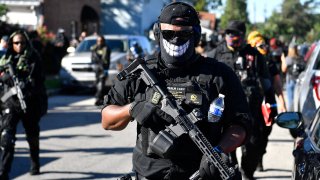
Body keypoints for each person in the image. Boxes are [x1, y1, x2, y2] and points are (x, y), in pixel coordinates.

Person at [101, 2, 251, 180]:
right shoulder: (140, 73)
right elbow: (107, 120)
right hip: (149, 174)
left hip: (199, 174)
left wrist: (218, 151)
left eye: (184, 34)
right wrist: (133, 108)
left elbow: (240, 126)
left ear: (195, 35)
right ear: (158, 34)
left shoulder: (219, 74)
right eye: (168, 34)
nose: (175, 40)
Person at [208, 21, 274, 180]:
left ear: (243, 36)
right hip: (225, 111)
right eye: (229, 33)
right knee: (226, 147)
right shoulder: (215, 54)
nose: (232, 37)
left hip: (251, 110)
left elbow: (266, 81)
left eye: (236, 34)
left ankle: (247, 172)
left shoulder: (255, 55)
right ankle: (233, 171)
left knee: (254, 145)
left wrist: (272, 103)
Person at [0, 30, 46, 179]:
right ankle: (4, 172)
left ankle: (35, 163)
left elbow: (41, 81)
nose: (19, 45)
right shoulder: (5, 58)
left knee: (32, 137)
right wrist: (4, 76)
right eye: (16, 43)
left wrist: (29, 85)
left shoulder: (34, 58)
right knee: (7, 139)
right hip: (10, 103)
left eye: (22, 43)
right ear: (11, 44)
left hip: (29, 103)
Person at [247, 30, 287, 172]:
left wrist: (282, 101)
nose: (260, 45)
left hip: (269, 104)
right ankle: (250, 163)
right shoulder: (246, 61)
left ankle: (260, 157)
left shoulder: (269, 61)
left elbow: (277, 83)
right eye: (256, 42)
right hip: (251, 103)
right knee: (252, 136)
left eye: (261, 42)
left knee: (265, 133)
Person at [281, 42, 305, 111]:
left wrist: (283, 60)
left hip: (290, 81)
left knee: (291, 101)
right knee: (299, 99)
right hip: (299, 81)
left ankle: (292, 116)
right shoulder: (301, 58)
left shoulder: (288, 58)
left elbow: (283, 69)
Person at [90, 35, 111, 106]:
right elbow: (92, 59)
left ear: (103, 41)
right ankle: (100, 98)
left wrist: (106, 69)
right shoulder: (94, 48)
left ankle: (98, 98)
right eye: (98, 41)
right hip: (97, 68)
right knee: (97, 83)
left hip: (103, 68)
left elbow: (107, 60)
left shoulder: (106, 48)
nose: (100, 42)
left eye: (101, 41)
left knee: (101, 84)